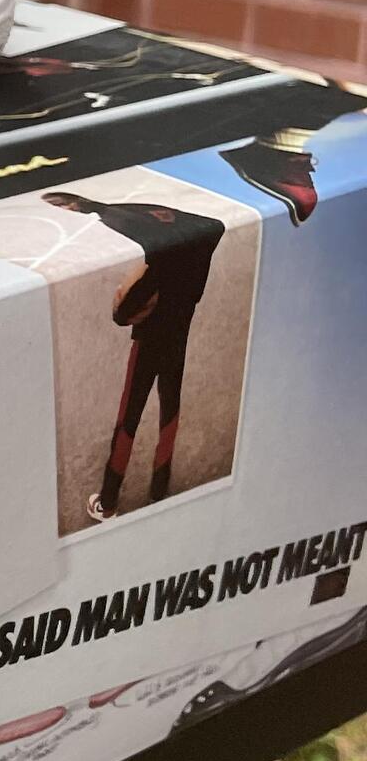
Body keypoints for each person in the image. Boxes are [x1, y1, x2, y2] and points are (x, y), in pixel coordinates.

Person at [43, 189, 225, 518]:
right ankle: (159, 487)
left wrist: (129, 294)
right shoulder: (199, 237)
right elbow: (215, 226)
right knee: (170, 405)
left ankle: (108, 500)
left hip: (150, 340)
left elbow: (123, 313)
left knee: (129, 416)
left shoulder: (155, 264)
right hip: (179, 332)